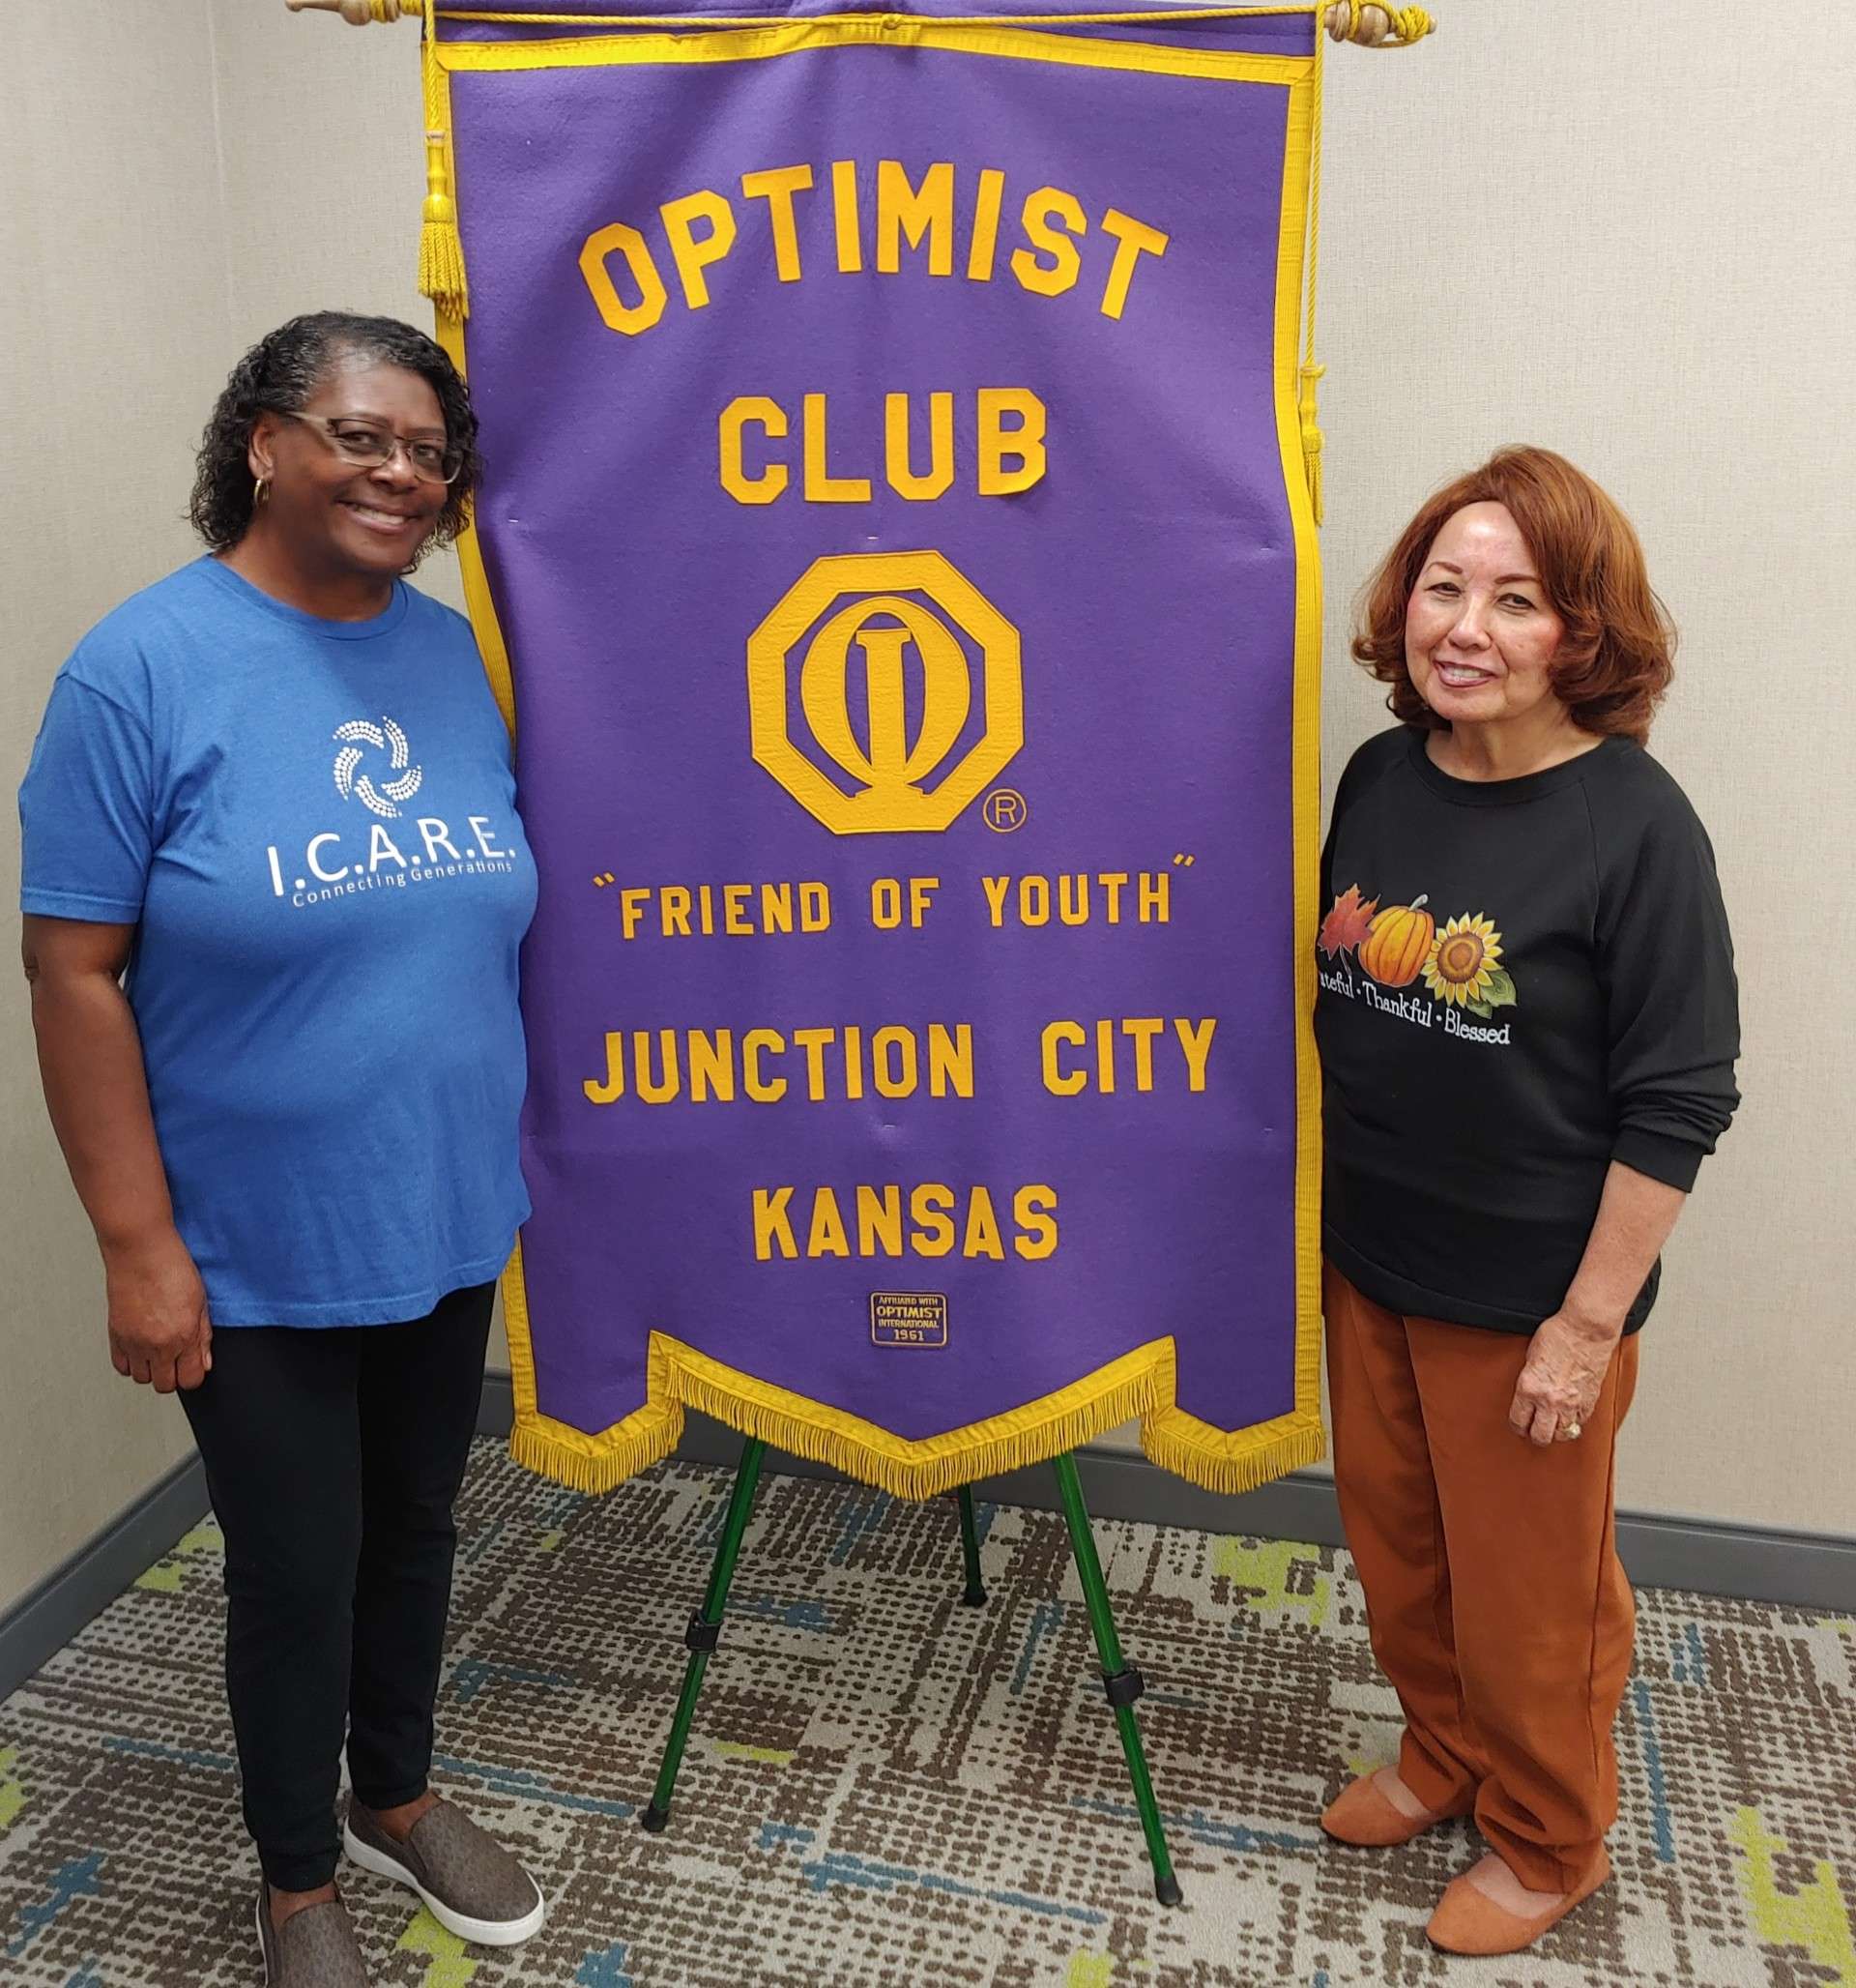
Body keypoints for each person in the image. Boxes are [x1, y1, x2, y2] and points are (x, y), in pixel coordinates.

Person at [20, 312, 545, 1987]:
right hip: (250, 1241)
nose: (401, 474)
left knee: (417, 1528)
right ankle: (298, 1877)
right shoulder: (144, 666)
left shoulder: (457, 650)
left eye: (428, 451)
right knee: (294, 1567)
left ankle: (394, 1786)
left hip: (446, 1202)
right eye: (360, 435)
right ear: (262, 440)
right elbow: (73, 967)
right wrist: (136, 1246)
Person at [1312, 447, 1739, 1955]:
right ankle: (1443, 1754)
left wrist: (1582, 1328)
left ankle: (1549, 1837)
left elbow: (1680, 1100)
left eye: (1516, 599)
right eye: (1443, 588)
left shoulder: (1637, 829)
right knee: (1401, 1552)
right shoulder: (1381, 775)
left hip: (1530, 1300)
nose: (1466, 628)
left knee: (1533, 1601)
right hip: (1372, 1258)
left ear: (1582, 632)